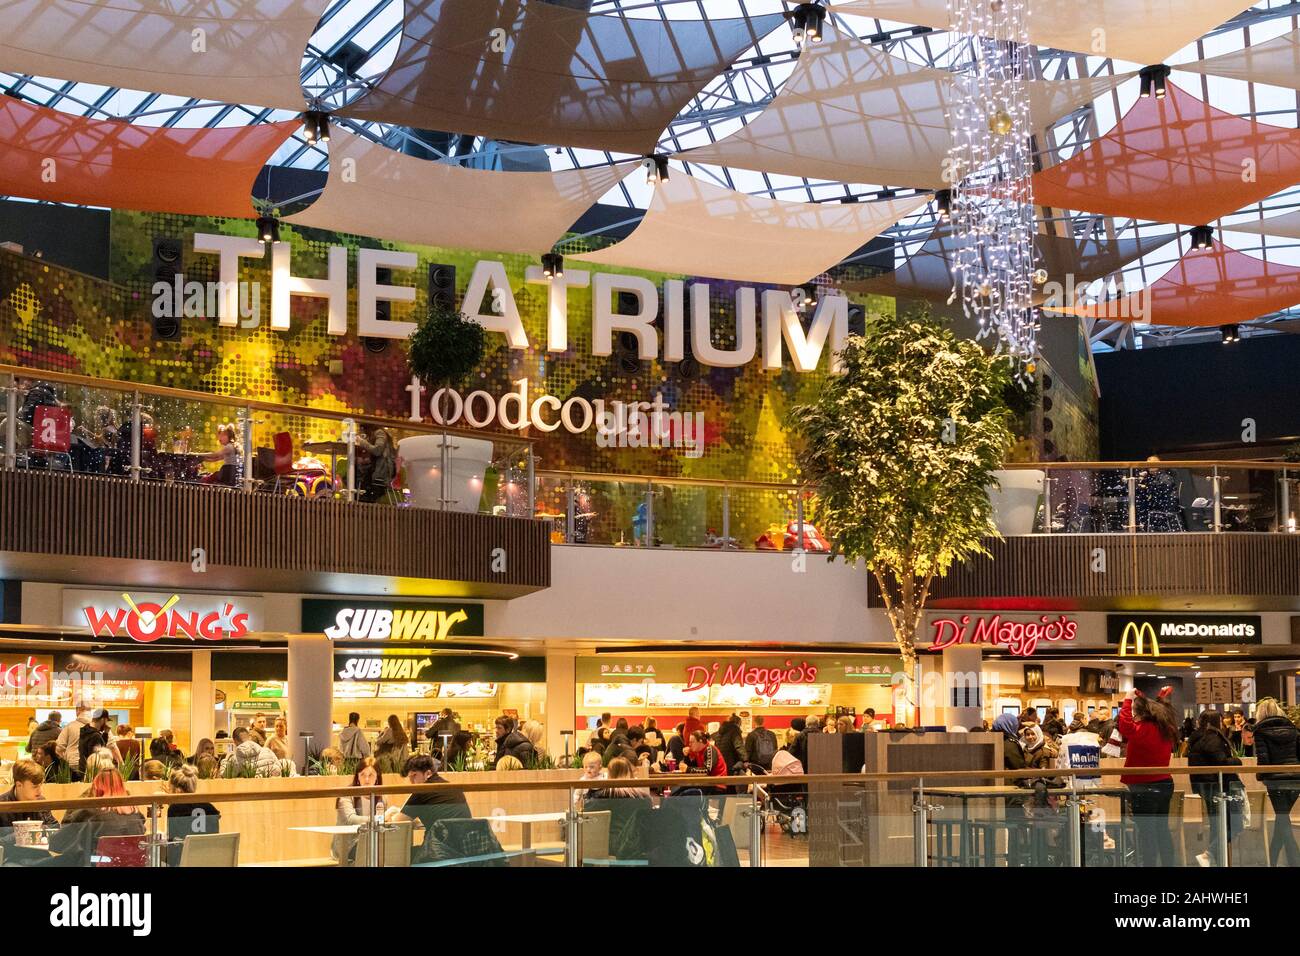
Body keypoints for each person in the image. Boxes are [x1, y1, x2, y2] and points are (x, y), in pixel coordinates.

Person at [1117, 689, 1178, 867]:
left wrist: (1127, 700)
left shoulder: (1142, 729)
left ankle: (1149, 864)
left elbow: (1124, 726)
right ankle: (1169, 864)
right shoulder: (1166, 729)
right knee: (1162, 829)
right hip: (1165, 783)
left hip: (1143, 786)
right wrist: (1158, 698)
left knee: (1147, 832)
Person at [385, 754, 472, 863]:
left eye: (414, 776)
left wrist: (389, 814)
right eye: (410, 778)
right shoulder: (451, 787)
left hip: (438, 854)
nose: (412, 782)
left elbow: (396, 823)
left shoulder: (423, 790)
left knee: (400, 856)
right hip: (466, 852)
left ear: (428, 774)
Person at [49, 768, 146, 866]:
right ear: (122, 787)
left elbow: (57, 843)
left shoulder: (89, 813)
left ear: (96, 787)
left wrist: (82, 802)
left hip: (97, 863)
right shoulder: (137, 816)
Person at [1185, 708, 1243, 867]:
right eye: (1220, 719)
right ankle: (1210, 854)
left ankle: (1214, 859)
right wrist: (1237, 761)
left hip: (1206, 787)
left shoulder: (1197, 738)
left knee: (1218, 825)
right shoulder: (1211, 738)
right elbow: (1221, 762)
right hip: (1217, 787)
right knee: (1235, 824)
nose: (1223, 722)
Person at [1252, 696, 1300, 867]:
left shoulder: (1259, 731)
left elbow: (1263, 761)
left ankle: (1295, 861)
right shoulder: (1293, 729)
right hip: (1296, 781)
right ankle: (1271, 861)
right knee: (1282, 819)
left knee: (1282, 819)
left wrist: (1260, 776)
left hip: (1275, 782)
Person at [334, 756, 383, 864]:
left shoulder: (381, 797)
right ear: (357, 777)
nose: (366, 780)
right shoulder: (346, 795)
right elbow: (351, 819)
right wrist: (376, 819)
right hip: (348, 845)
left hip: (372, 842)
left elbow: (383, 821)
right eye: (362, 775)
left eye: (371, 775)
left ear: (377, 778)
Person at [0, 759, 58, 842]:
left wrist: (44, 829)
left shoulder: (40, 801)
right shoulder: (3, 805)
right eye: (35, 787)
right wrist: (20, 835)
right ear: (19, 785)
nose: (40, 791)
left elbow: (55, 828)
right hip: (12, 854)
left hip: (41, 854)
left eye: (41, 785)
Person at [163, 764, 220, 846]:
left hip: (182, 856)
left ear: (177, 790)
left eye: (170, 789)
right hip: (207, 854)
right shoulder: (209, 807)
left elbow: (174, 841)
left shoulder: (175, 809)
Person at [355, 426, 397, 502]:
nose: (361, 430)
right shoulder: (375, 434)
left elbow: (377, 450)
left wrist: (362, 442)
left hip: (381, 473)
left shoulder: (379, 432)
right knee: (354, 474)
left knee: (356, 476)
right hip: (378, 471)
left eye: (362, 428)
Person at [77, 708, 120, 777]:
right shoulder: (95, 735)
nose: (106, 724)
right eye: (106, 721)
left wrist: (105, 734)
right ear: (103, 720)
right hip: (92, 772)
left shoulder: (85, 731)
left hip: (82, 769)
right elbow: (99, 756)